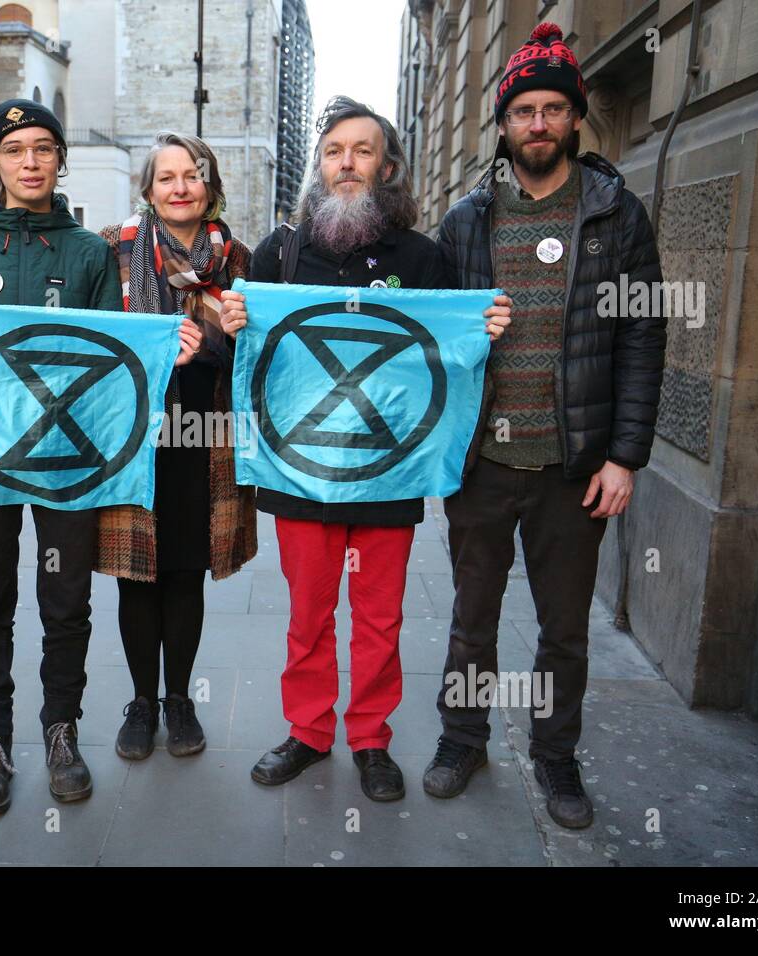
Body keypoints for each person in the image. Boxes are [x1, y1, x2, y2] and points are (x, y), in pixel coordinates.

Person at [0, 100, 198, 816]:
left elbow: (109, 358)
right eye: (14, 151)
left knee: (66, 602)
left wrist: (168, 353)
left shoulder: (90, 253)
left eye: (43, 148)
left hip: (69, 458)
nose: (30, 162)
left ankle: (61, 733)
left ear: (60, 160)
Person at [219, 96, 512, 802]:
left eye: (362, 150)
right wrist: (237, 323)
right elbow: (263, 358)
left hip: (390, 471)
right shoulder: (278, 252)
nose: (346, 162)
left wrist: (484, 326)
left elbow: (445, 356)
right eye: (333, 151)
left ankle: (371, 739)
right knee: (309, 613)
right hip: (302, 470)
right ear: (319, 166)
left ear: (387, 165)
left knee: (380, 618)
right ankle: (309, 730)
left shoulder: (422, 256)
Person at [423, 22, 666, 829]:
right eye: (523, 109)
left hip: (574, 467)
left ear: (575, 117)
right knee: (471, 622)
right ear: (502, 123)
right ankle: (462, 739)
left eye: (552, 108)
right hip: (482, 463)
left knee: (564, 630)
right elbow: (428, 336)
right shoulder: (466, 220)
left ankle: (556, 758)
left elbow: (642, 332)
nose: (536, 123)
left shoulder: (615, 213)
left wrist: (625, 456)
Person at [94, 132, 257, 761]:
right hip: (134, 435)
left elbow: (263, 351)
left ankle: (180, 699)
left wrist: (218, 343)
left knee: (187, 571)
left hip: (206, 436)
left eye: (193, 175)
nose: (180, 187)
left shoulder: (238, 258)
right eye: (167, 177)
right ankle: (140, 700)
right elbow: (93, 334)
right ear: (149, 189)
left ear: (210, 186)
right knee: (137, 574)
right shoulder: (114, 250)